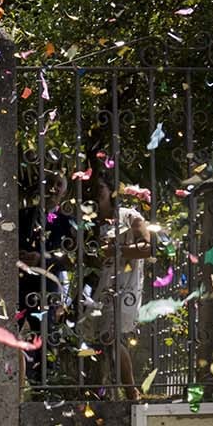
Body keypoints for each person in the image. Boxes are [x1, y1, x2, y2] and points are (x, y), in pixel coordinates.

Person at [83, 170, 151, 399]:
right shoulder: (92, 223)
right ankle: (108, 391)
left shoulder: (129, 215)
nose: (95, 193)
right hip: (105, 284)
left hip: (127, 284)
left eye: (100, 188)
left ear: (111, 191)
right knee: (104, 339)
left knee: (110, 336)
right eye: (91, 189)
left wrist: (118, 250)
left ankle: (131, 391)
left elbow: (147, 248)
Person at [17, 165, 77, 386]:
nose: (52, 188)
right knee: (6, 334)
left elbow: (72, 259)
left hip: (46, 288)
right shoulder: (22, 215)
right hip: (18, 284)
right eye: (49, 183)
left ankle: (43, 388)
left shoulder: (66, 220)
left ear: (64, 191)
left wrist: (43, 259)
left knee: (44, 336)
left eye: (58, 185)